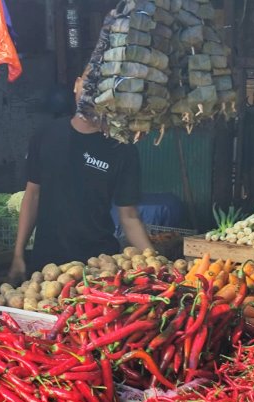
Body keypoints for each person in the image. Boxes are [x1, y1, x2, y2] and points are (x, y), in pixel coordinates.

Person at [8, 70, 153, 283]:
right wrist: (18, 254)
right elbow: (33, 195)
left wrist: (154, 261)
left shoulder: (121, 148)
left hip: (98, 268)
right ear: (76, 85)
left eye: (100, 86)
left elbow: (129, 217)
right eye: (88, 82)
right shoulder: (45, 135)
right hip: (47, 268)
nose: (91, 91)